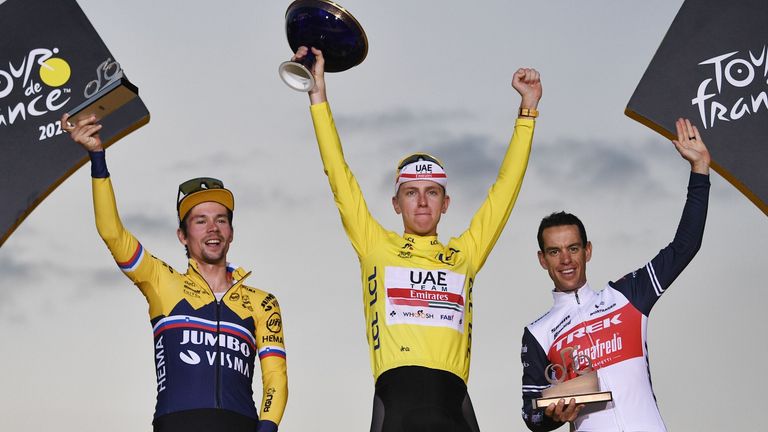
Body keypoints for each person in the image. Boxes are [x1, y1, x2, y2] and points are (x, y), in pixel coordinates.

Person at [294, 46, 542, 431]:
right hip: (398, 409)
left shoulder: (464, 254)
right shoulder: (376, 246)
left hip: (453, 408)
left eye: (432, 192)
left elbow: (505, 191)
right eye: (412, 192)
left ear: (446, 203)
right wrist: (318, 94)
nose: (423, 202)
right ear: (396, 203)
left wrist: (528, 112)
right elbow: (338, 174)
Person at [61, 113, 288, 432]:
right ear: (183, 235)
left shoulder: (263, 303)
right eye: (200, 220)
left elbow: (275, 376)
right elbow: (112, 233)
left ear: (231, 232)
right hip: (178, 423)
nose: (213, 228)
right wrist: (97, 158)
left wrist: (266, 428)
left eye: (221, 219)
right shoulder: (162, 281)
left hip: (241, 424)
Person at [520, 118, 710, 431]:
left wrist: (700, 170)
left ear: (588, 251)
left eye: (573, 248)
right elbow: (531, 414)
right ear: (543, 260)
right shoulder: (538, 333)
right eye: (554, 251)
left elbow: (685, 246)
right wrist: (555, 415)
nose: (566, 259)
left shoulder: (627, 296)